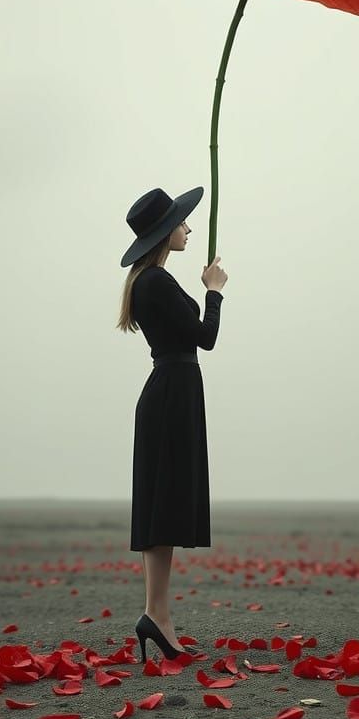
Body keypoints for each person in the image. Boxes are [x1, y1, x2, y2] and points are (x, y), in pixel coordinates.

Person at [117, 186, 228, 661]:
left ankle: (156, 615)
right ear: (165, 232)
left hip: (170, 392)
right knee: (162, 507)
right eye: (182, 222)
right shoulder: (156, 282)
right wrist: (214, 292)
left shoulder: (149, 280)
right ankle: (156, 615)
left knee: (160, 509)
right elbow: (205, 338)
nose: (188, 228)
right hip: (173, 393)